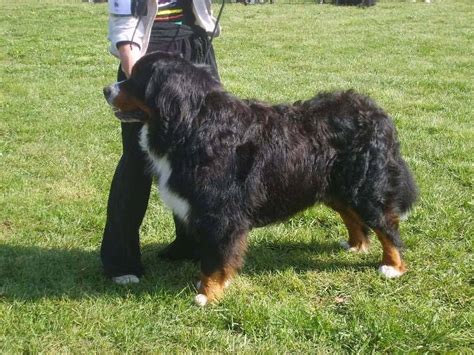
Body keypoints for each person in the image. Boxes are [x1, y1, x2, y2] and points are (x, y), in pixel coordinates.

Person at [101, 0, 221, 284]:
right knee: (137, 160)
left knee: (202, 157)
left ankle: (193, 244)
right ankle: (122, 260)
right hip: (145, 51)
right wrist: (138, 82)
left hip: (193, 43)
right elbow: (123, 21)